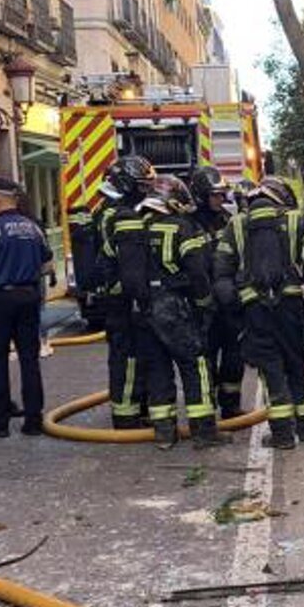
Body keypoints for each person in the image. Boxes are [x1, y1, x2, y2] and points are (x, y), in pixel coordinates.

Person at [214, 176, 304, 449]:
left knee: (271, 372)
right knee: (297, 366)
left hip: (255, 311)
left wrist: (235, 302)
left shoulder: (236, 224)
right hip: (291, 308)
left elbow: (222, 267)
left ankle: (282, 435)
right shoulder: (295, 219)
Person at [120, 176, 218, 449]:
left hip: (142, 309)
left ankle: (164, 433)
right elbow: (197, 272)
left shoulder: (134, 227)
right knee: (195, 363)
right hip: (173, 305)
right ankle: (204, 431)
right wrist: (204, 303)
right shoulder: (182, 227)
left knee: (157, 369)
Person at [0, 178, 53, 437]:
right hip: (28, 295)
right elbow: (47, 265)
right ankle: (33, 420)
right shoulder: (33, 227)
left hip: (0, 299)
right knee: (29, 359)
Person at [94, 156, 155, 429]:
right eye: (142, 186)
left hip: (117, 295)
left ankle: (134, 408)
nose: (146, 191)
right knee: (128, 356)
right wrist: (141, 298)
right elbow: (128, 264)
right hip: (124, 299)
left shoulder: (108, 209)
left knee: (131, 354)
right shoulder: (120, 214)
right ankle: (126, 416)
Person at [189, 166, 245, 419]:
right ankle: (206, 406)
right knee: (206, 358)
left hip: (228, 303)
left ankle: (231, 405)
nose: (220, 199)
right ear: (201, 195)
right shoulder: (189, 224)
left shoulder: (226, 220)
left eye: (222, 195)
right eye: (215, 195)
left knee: (234, 355)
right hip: (203, 305)